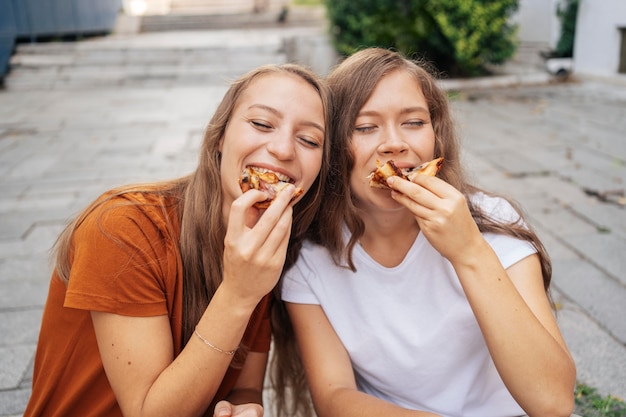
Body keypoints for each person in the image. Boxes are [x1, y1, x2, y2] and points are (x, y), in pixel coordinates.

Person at [278, 48, 577, 417]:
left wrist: (469, 251)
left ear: (437, 136)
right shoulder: (310, 258)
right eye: (365, 127)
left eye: (414, 122)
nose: (394, 143)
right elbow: (335, 396)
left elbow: (554, 402)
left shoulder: (493, 221)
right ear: (333, 150)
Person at [24, 62, 330, 417]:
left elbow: (244, 386)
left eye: (309, 139)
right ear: (219, 137)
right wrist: (240, 292)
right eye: (261, 123)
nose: (282, 149)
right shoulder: (122, 227)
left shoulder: (262, 244)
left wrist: (244, 409)